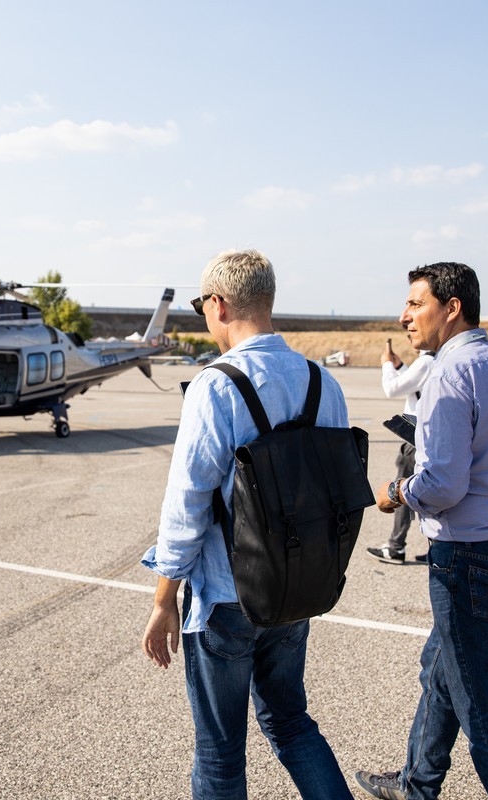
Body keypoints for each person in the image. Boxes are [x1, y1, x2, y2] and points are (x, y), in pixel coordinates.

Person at [141, 248, 354, 800]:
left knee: (219, 752)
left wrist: (165, 599)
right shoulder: (322, 383)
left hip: (226, 597)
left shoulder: (216, 386)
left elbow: (186, 503)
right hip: (295, 589)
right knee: (290, 722)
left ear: (218, 304)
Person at [354, 262, 488, 800]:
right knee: (440, 671)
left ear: (452, 307)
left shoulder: (449, 373)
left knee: (487, 715)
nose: (404, 315)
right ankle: (417, 784)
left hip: (468, 559)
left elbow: (442, 484)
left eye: (415, 303)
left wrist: (395, 493)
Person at [365, 338, 434, 565]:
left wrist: (386, 364)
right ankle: (436, 546)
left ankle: (396, 547)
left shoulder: (425, 361)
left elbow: (393, 388)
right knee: (427, 490)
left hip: (414, 437)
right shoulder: (436, 358)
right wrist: (399, 367)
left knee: (401, 490)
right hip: (428, 436)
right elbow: (415, 386)